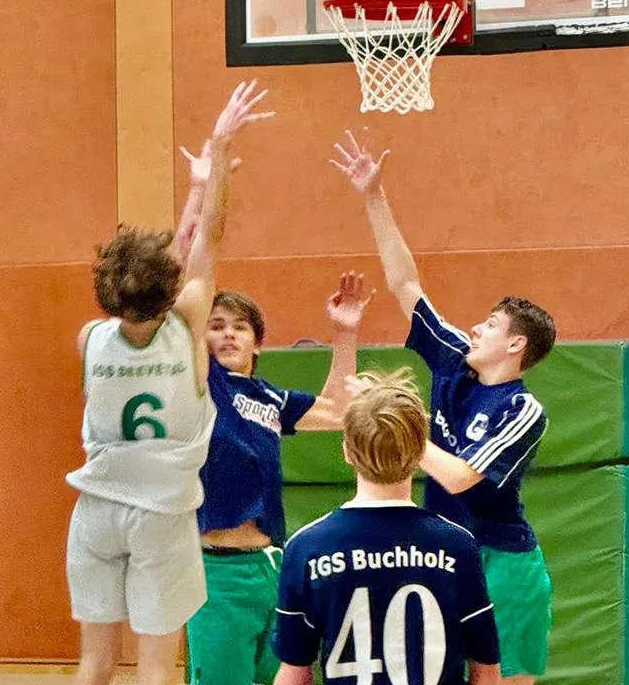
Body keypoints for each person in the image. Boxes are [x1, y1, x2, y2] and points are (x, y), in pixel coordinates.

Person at [65, 80, 273, 685]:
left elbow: (166, 268)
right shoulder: (186, 331)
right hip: (161, 514)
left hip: (97, 508)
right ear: (170, 291)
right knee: (156, 666)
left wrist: (198, 186)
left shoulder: (89, 340)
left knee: (93, 663)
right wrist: (218, 157)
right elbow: (209, 237)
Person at [330, 132, 557, 684]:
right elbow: (405, 283)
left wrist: (388, 418)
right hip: (440, 554)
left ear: (516, 344)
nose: (476, 327)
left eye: (491, 325)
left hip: (501, 562)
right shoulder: (455, 359)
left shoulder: (522, 410)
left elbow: (458, 477)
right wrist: (373, 196)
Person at [183, 274, 373, 685]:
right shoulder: (202, 386)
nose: (228, 334)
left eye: (240, 327)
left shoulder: (269, 397)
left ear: (257, 343)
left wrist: (344, 333)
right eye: (216, 326)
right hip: (217, 573)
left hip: (271, 567)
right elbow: (188, 313)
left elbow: (339, 410)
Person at [272, 369, 502, 685]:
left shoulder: (306, 547)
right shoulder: (457, 545)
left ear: (347, 451)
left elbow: (295, 671)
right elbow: (486, 670)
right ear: (420, 451)